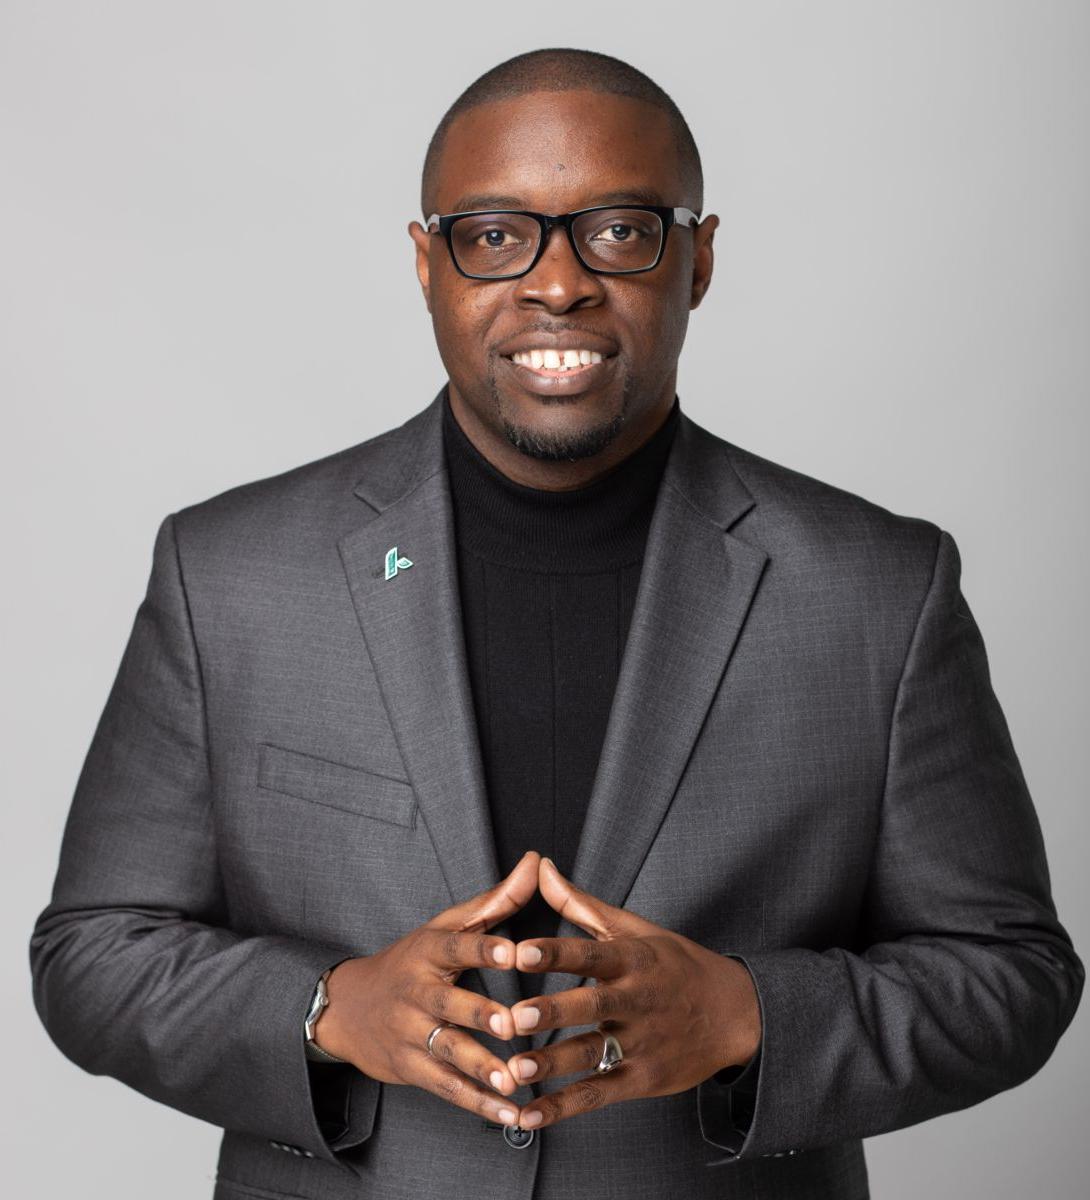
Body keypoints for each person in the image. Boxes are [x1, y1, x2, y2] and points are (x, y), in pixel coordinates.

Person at [30, 47, 1082, 1200]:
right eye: (494, 235)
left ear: (700, 259)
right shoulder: (229, 574)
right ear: (428, 265)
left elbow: (1010, 975)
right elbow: (92, 953)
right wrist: (331, 1011)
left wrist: (745, 1016)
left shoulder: (880, 589)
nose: (558, 283)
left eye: (620, 230)